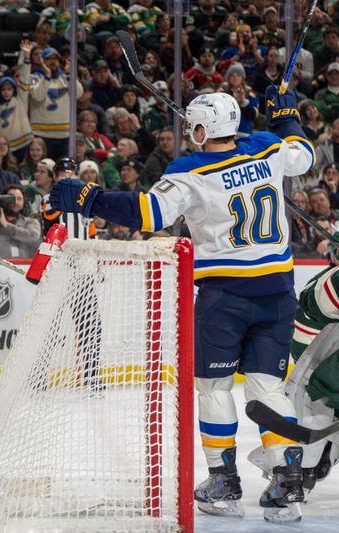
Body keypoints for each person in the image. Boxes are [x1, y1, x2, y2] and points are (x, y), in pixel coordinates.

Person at [50, 87, 315, 523]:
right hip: (277, 293)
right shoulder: (267, 149)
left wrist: (89, 198)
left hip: (224, 298)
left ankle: (224, 481)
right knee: (268, 387)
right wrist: (285, 117)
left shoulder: (189, 171)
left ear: (200, 129)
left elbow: (149, 213)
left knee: (214, 388)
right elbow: (302, 154)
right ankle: (287, 484)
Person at [249, 242, 339, 495]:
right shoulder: (329, 283)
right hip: (317, 372)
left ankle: (312, 464)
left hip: (323, 368)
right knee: (312, 458)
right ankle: (304, 470)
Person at [0, 184, 42, 258]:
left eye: (19, 199)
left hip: (22, 267)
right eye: (11, 198)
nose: (15, 202)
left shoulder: (30, 222)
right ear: (2, 200)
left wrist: (6, 225)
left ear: (23, 203)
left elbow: (33, 237)